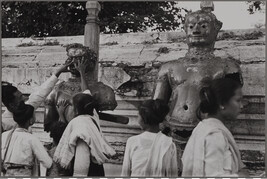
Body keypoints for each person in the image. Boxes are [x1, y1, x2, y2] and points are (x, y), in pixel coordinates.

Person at [53, 58, 116, 176]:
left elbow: (82, 163)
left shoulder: (80, 125)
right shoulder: (92, 115)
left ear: (76, 109)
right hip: (96, 165)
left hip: (85, 167)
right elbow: (86, 91)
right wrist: (82, 72)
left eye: (71, 104)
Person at [182, 78, 249, 177]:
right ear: (222, 103)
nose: (241, 106)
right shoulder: (214, 135)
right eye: (238, 100)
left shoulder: (202, 127)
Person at [2, 63, 71, 132]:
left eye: (22, 95)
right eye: (20, 97)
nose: (24, 98)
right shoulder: (4, 124)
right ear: (11, 105)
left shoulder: (26, 107)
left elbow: (41, 92)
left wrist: (58, 72)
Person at [121, 99, 178, 177]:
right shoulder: (169, 144)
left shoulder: (133, 141)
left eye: (138, 116)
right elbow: (173, 175)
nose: (137, 120)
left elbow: (125, 174)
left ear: (144, 119)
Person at [1, 103, 52, 176]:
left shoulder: (4, 135)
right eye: (34, 115)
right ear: (31, 120)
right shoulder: (32, 139)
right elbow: (48, 163)